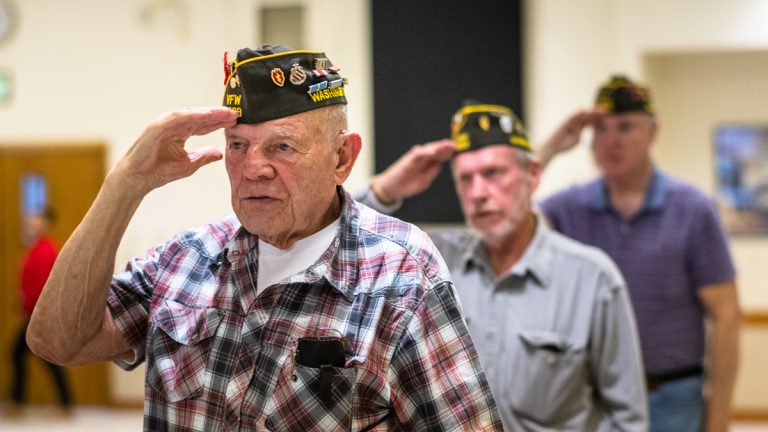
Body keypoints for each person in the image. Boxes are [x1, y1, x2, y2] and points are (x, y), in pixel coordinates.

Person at [26, 45, 503, 431]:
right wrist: (125, 183)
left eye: (283, 146)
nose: (253, 168)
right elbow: (58, 342)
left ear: (342, 157)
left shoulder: (399, 273)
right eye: (238, 146)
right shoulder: (188, 258)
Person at [358, 102, 648, 431]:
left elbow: (627, 419)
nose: (478, 193)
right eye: (466, 179)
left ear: (533, 176)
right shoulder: (433, 260)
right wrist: (385, 190)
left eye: (493, 174)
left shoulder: (592, 278)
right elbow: (345, 244)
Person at [537, 75, 742, 432]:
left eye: (625, 128)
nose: (611, 141)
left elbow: (726, 316)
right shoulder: (569, 208)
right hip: (593, 398)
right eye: (599, 130)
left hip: (674, 398)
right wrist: (550, 148)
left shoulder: (693, 210)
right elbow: (505, 222)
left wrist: (720, 418)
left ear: (653, 132)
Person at [5, 207, 73, 417]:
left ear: (47, 223)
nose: (32, 222)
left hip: (39, 315)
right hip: (33, 313)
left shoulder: (46, 249)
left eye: (37, 219)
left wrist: (36, 309)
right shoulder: (36, 248)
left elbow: (45, 285)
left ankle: (21, 402)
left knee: (22, 354)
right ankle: (62, 403)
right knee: (39, 357)